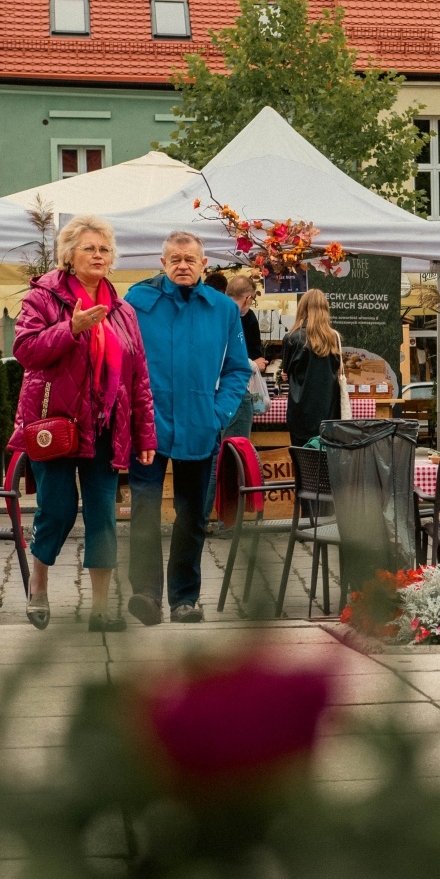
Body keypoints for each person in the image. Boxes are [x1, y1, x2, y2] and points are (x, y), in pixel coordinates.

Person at [11, 216, 156, 631]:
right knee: (56, 511)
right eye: (90, 248)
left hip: (107, 427)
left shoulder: (123, 311)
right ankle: (38, 585)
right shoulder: (43, 299)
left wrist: (145, 432)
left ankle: (100, 608)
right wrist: (70, 328)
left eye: (105, 249)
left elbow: (139, 377)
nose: (98, 255)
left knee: (103, 515)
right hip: (55, 426)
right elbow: (25, 350)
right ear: (69, 256)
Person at [124, 232, 249, 625]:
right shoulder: (136, 303)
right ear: (162, 263)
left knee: (192, 514)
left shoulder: (223, 310)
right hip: (148, 425)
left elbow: (237, 370)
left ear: (203, 264)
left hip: (199, 424)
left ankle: (184, 599)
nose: (182, 265)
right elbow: (122, 363)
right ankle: (145, 594)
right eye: (174, 258)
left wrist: (218, 414)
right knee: (144, 510)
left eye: (189, 259)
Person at [282, 289, 343, 449]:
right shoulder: (334, 338)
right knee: (326, 462)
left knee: (301, 460)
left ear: (302, 308)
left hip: (300, 411)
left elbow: (286, 372)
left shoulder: (292, 338)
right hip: (329, 411)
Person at [222, 275, 266, 441]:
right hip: (236, 390)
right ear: (248, 298)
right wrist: (253, 364)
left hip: (211, 392)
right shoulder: (236, 316)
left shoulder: (213, 313)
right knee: (235, 450)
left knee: (216, 453)